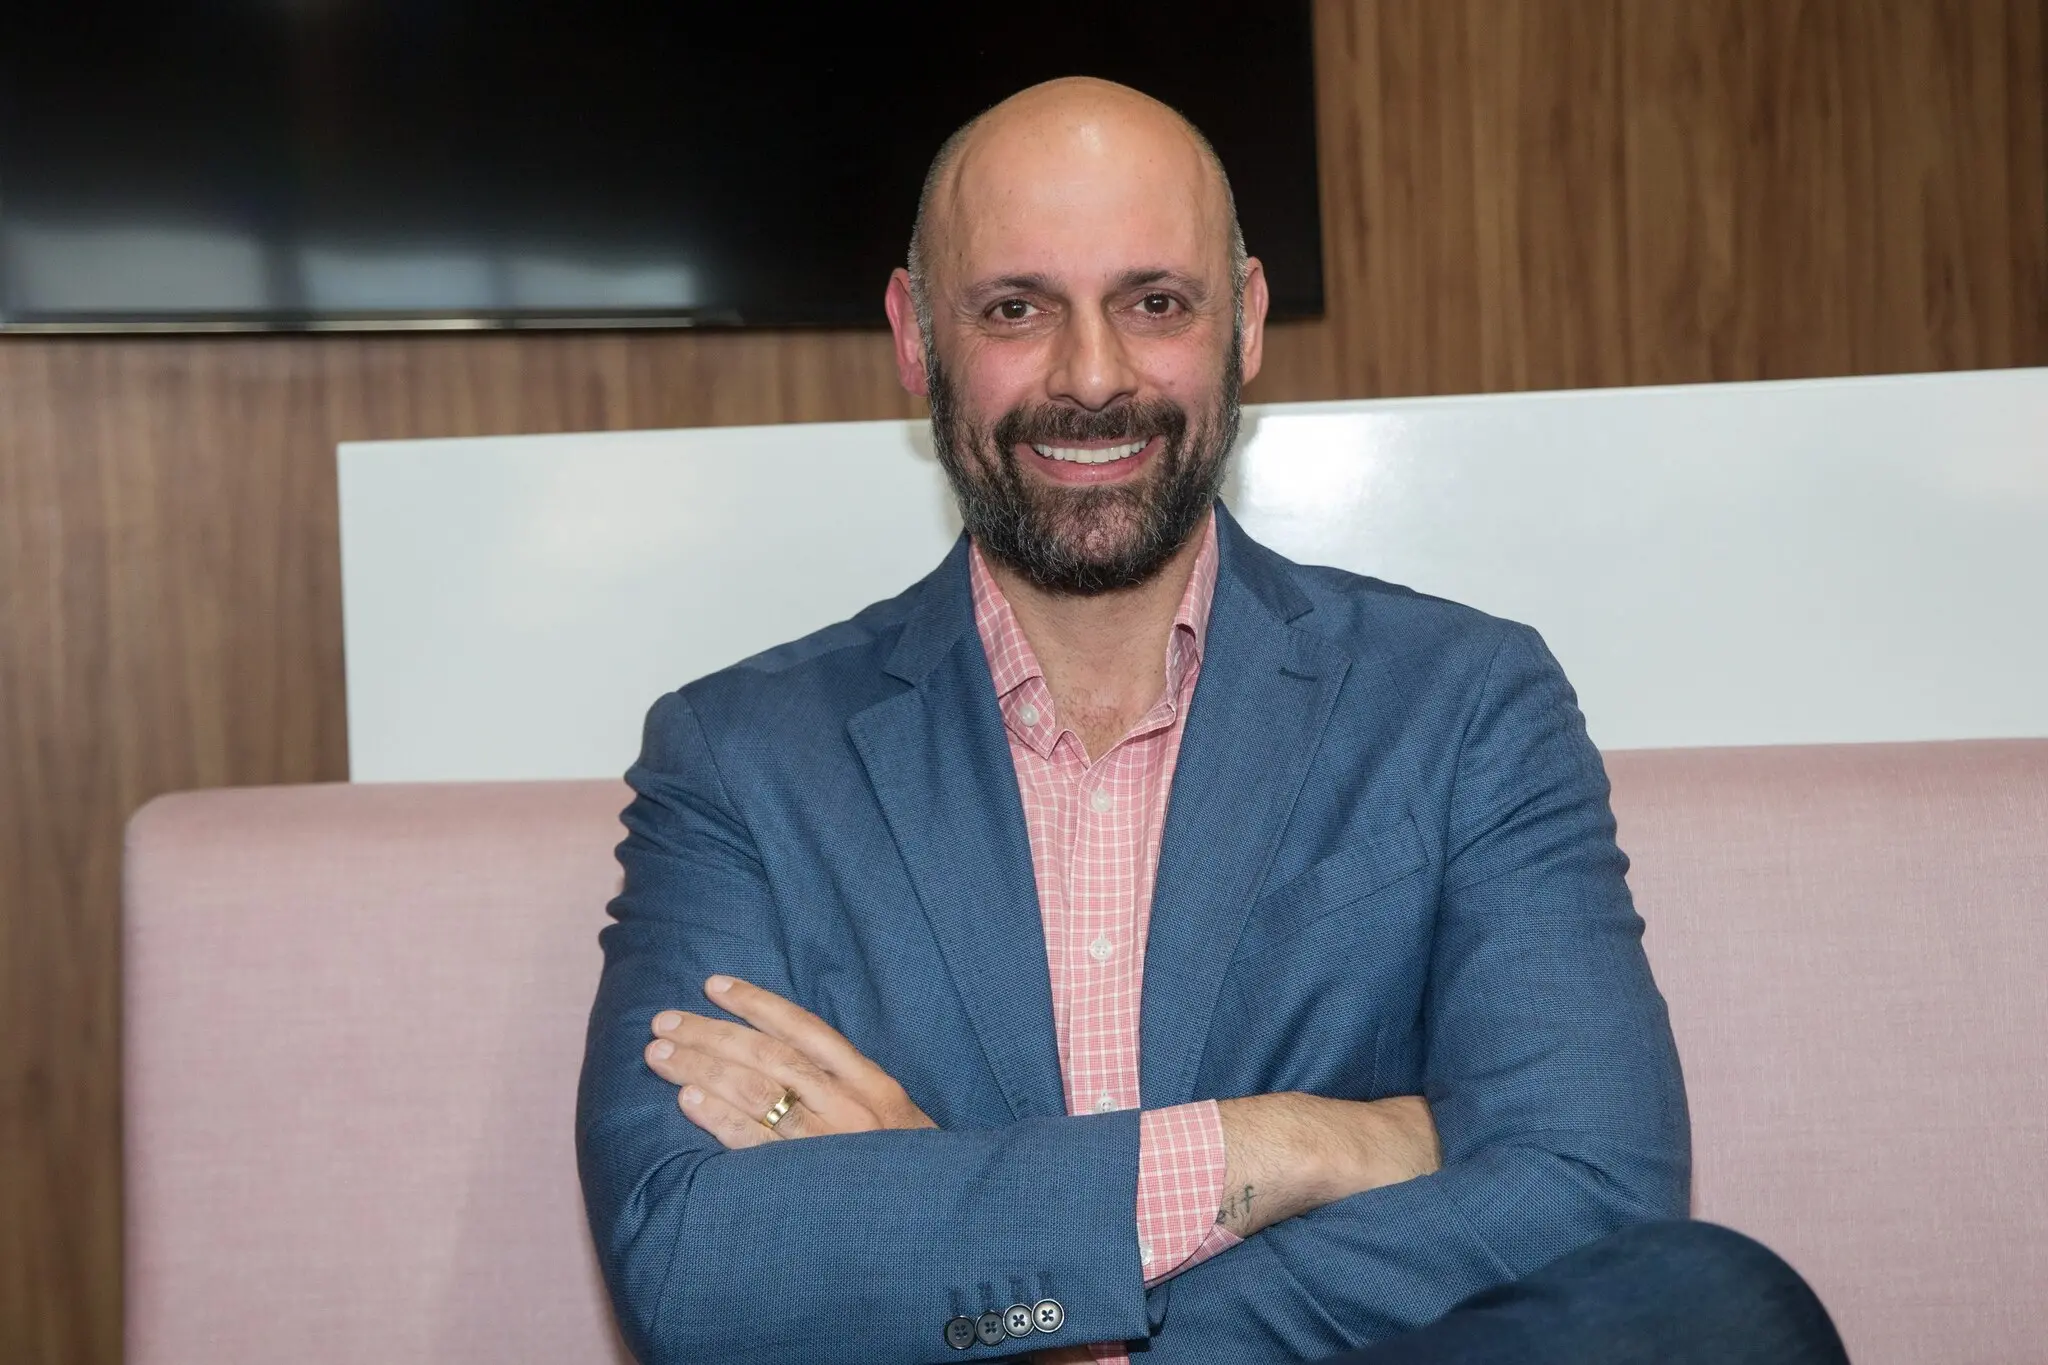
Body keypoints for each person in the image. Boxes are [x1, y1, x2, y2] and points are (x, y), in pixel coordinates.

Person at [576, 78, 1848, 1365]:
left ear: (1242, 320)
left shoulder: (1462, 702)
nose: (1090, 376)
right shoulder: (740, 759)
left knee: (1717, 1311)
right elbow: (693, 1262)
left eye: (1154, 304)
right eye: (1015, 309)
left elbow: (1591, 1196)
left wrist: (1056, 1306)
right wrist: (1296, 1143)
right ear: (917, 336)